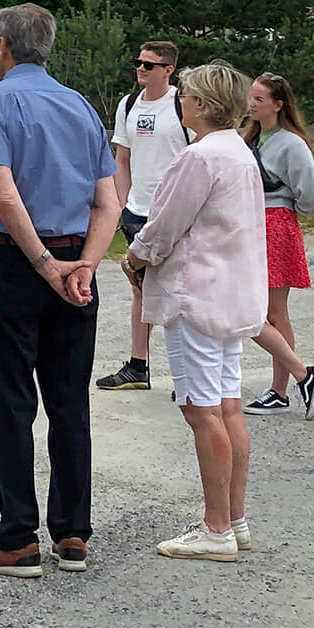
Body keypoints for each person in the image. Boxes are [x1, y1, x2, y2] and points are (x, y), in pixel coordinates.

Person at [0, 4, 121, 580]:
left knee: (7, 399)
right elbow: (109, 201)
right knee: (69, 400)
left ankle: (16, 535)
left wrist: (44, 263)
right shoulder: (81, 106)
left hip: (16, 261)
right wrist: (85, 265)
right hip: (79, 260)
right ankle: (73, 531)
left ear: (1, 46)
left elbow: (4, 197)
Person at [122, 61, 267, 562]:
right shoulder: (240, 152)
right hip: (229, 292)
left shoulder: (199, 157)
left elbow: (165, 224)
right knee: (227, 405)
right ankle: (235, 517)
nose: (180, 102)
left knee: (201, 409)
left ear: (201, 105)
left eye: (185, 96)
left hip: (197, 293)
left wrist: (135, 255)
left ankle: (216, 526)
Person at [97, 41, 187, 393]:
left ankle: (186, 371)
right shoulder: (129, 104)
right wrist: (120, 205)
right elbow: (122, 158)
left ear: (168, 70)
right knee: (140, 288)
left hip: (172, 212)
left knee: (178, 292)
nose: (141, 68)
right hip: (137, 210)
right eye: (138, 62)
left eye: (149, 65)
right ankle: (138, 364)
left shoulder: (181, 105)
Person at [241, 73, 314, 419]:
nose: (251, 104)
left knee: (273, 311)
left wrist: (287, 210)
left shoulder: (291, 144)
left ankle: (281, 388)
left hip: (274, 224)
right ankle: (288, 382)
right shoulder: (250, 139)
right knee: (261, 310)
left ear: (278, 105)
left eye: (259, 99)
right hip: (251, 225)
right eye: (251, 98)